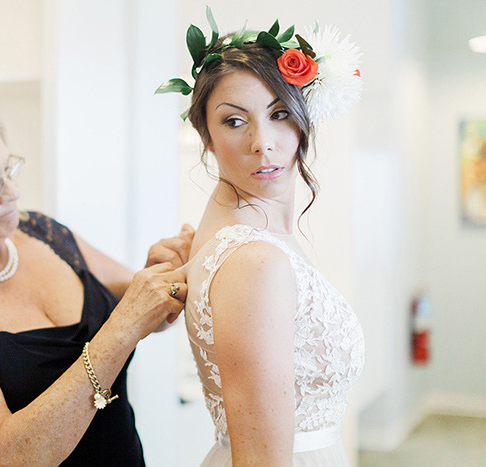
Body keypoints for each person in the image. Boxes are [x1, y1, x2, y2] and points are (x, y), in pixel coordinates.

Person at [0, 92, 194, 466]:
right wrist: (122, 329)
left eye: (8, 170)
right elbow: (6, 459)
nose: (13, 192)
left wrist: (158, 275)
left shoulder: (44, 232)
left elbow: (148, 315)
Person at [157, 10, 365, 466]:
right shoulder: (254, 262)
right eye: (234, 121)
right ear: (206, 136)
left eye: (279, 113)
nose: (262, 142)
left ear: (304, 118)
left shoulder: (250, 233)